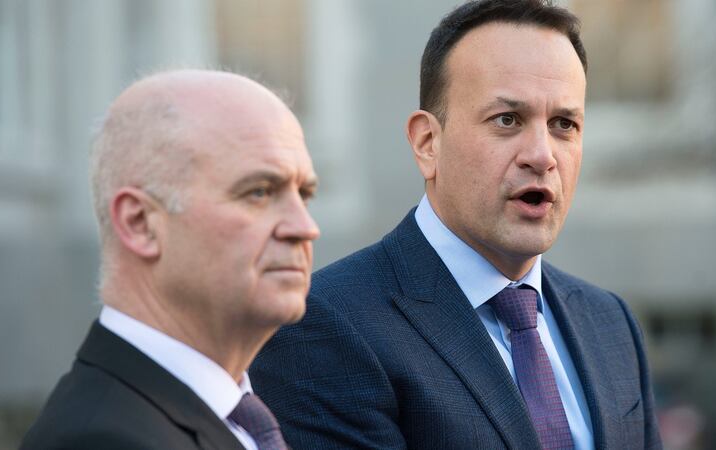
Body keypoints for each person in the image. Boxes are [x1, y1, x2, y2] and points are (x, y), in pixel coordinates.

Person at [250, 1, 662, 449]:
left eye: (565, 124)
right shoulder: (324, 326)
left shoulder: (610, 323)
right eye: (507, 120)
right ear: (428, 143)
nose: (542, 155)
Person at [21, 70, 320, 449]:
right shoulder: (101, 439)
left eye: (304, 194)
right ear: (140, 223)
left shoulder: (233, 413)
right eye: (259, 192)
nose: (305, 227)